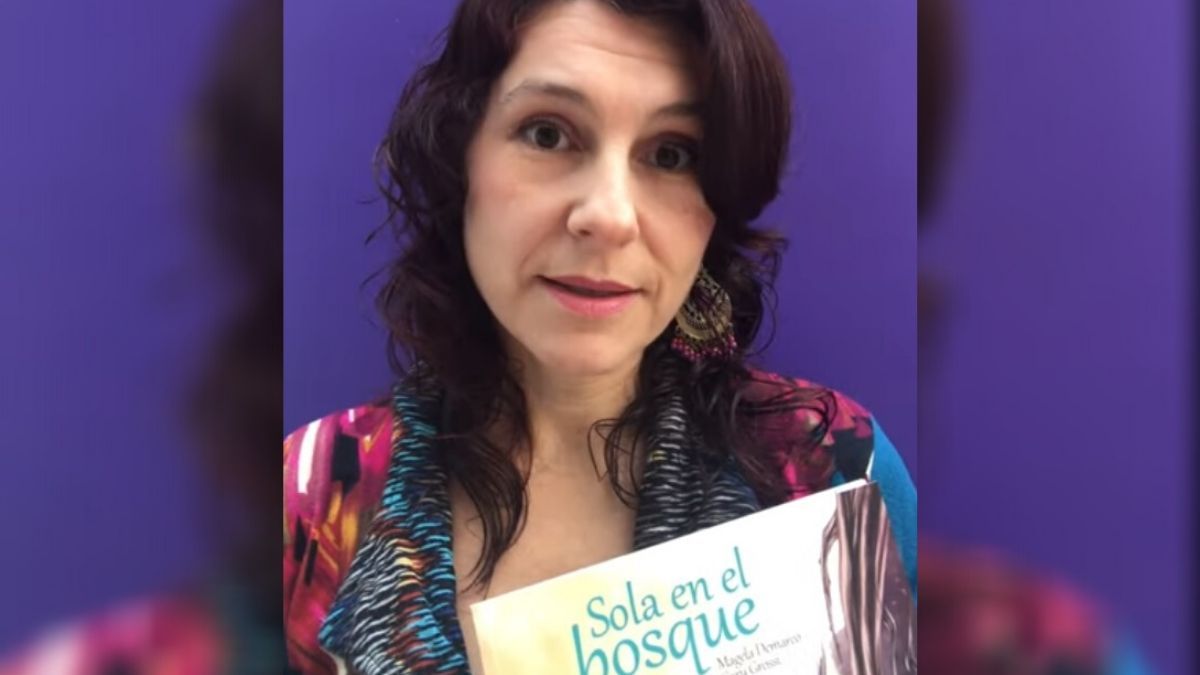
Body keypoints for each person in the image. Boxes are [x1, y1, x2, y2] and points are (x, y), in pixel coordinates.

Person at [283, 1, 916, 673]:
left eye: (672, 154)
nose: (609, 216)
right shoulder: (307, 504)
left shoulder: (834, 470)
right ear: (458, 158)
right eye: (548, 134)